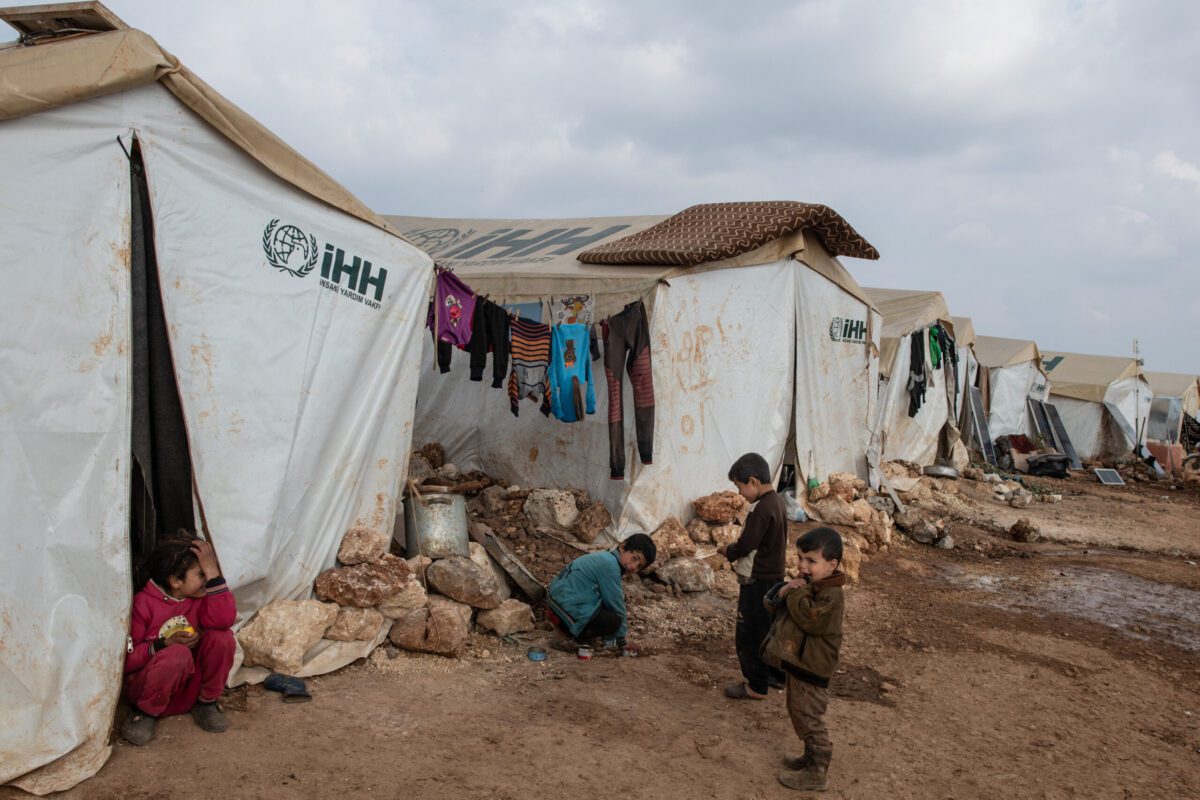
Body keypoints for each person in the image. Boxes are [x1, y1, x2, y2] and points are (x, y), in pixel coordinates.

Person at [120, 532, 237, 746]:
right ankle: (144, 714)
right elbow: (126, 660)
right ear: (175, 580)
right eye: (201, 574)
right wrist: (162, 645)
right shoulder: (142, 604)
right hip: (147, 690)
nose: (207, 580)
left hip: (187, 691)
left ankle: (206, 703)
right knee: (177, 653)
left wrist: (212, 571)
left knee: (223, 637)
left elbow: (225, 619)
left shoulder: (199, 599)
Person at [762, 527, 846, 792]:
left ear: (832, 565)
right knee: (798, 712)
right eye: (800, 558)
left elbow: (811, 619)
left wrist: (795, 592)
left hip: (812, 669)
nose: (802, 566)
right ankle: (810, 758)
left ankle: (817, 772)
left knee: (810, 717)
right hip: (800, 665)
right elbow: (776, 607)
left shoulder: (831, 594)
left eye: (811, 561)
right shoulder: (808, 586)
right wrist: (786, 590)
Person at [719, 452, 788, 699]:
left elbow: (747, 544)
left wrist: (728, 550)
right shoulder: (778, 502)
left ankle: (756, 685)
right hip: (773, 576)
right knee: (769, 628)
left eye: (739, 486)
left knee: (749, 632)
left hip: (756, 579)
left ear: (753, 481)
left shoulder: (761, 508)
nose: (739, 493)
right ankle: (775, 675)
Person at [545, 533, 656, 655]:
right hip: (563, 609)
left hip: (556, 601)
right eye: (634, 558)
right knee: (614, 620)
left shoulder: (606, 558)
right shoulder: (611, 566)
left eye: (639, 566)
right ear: (623, 547)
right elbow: (617, 605)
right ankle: (572, 639)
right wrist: (622, 642)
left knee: (605, 608)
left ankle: (581, 632)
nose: (634, 566)